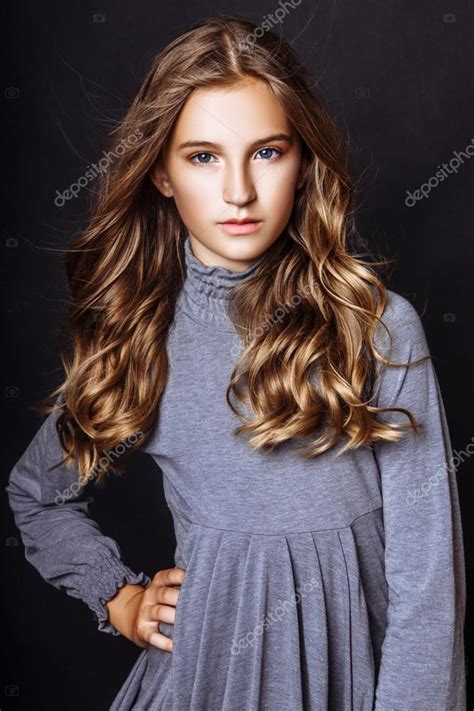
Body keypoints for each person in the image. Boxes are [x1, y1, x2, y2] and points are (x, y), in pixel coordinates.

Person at [5, 16, 466, 711]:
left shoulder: (377, 328)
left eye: (268, 152)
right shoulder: (141, 337)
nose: (240, 191)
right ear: (160, 171)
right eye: (203, 157)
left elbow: (428, 582)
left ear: (304, 159)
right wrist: (119, 594)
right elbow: (36, 494)